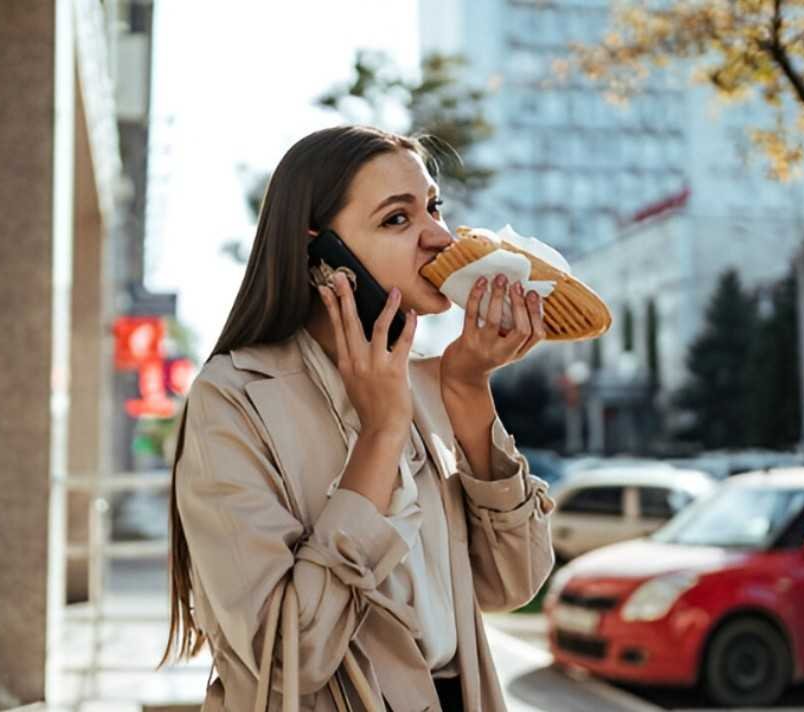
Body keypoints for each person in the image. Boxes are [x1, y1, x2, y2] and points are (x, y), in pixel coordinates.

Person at [161, 125, 555, 711]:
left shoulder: (432, 384)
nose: (441, 237)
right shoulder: (235, 398)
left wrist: (468, 389)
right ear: (320, 251)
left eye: (434, 208)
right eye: (398, 219)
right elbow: (288, 658)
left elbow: (511, 582)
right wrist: (379, 435)